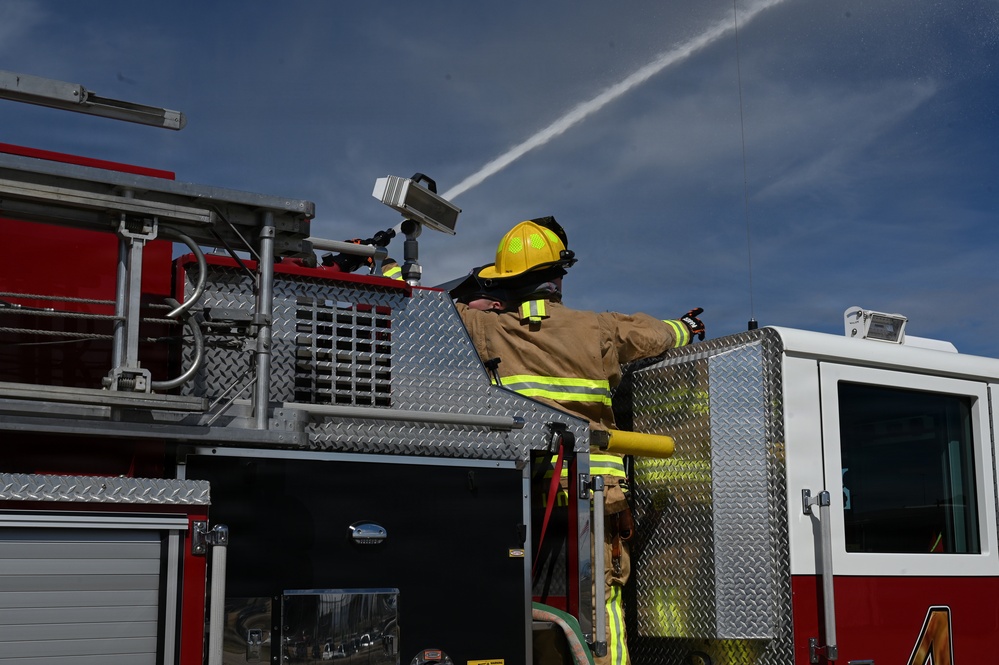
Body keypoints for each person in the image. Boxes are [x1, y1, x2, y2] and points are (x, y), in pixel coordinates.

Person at [454, 218, 704, 665]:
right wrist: (684, 326)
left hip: (522, 495)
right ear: (559, 278)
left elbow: (425, 310)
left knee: (527, 604)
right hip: (593, 497)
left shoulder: (484, 327)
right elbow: (654, 335)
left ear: (507, 282)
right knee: (599, 609)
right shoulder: (599, 329)